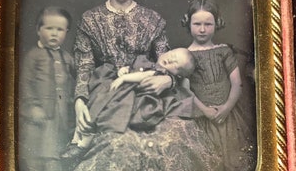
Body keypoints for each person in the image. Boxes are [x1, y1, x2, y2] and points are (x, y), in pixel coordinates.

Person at [61, 0, 225, 171]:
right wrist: (79, 101)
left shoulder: (153, 19)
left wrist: (168, 80)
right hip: (110, 89)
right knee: (120, 146)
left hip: (150, 88)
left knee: (176, 135)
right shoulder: (90, 19)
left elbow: (168, 59)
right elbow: (84, 65)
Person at [61, 48, 197, 158]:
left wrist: (125, 77)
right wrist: (124, 70)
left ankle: (84, 143)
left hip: (131, 94)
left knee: (111, 109)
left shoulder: (159, 73)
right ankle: (77, 140)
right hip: (120, 88)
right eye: (172, 54)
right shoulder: (148, 63)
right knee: (98, 101)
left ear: (177, 74)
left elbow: (143, 75)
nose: (170, 59)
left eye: (176, 64)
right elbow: (134, 69)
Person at [182, 0, 256, 171]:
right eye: (197, 24)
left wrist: (226, 108)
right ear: (188, 23)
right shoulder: (184, 55)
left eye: (208, 24)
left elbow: (237, 84)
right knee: (209, 167)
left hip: (228, 115)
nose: (202, 29)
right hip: (202, 116)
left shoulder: (223, 51)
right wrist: (205, 110)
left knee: (235, 164)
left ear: (217, 24)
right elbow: (185, 89)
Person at [18, 6, 75, 171]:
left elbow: (74, 82)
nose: (54, 34)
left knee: (56, 146)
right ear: (38, 30)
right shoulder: (34, 56)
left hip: (60, 112)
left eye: (59, 30)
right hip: (40, 113)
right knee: (36, 145)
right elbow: (25, 85)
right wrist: (31, 107)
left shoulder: (67, 57)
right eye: (49, 28)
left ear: (66, 32)